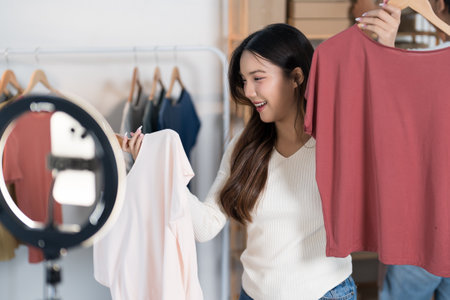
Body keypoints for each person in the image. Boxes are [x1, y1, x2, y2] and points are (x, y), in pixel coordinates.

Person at [122, 4, 401, 299]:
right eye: (244, 81)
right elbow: (204, 227)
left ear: (296, 77)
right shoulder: (244, 146)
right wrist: (157, 167)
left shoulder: (335, 141)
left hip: (324, 293)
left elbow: (391, 134)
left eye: (258, 78)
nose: (249, 92)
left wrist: (388, 51)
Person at [378, 1, 450, 300]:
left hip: (423, 222)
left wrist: (385, 46)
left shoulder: (423, 68)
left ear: (439, 5)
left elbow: (386, 124)